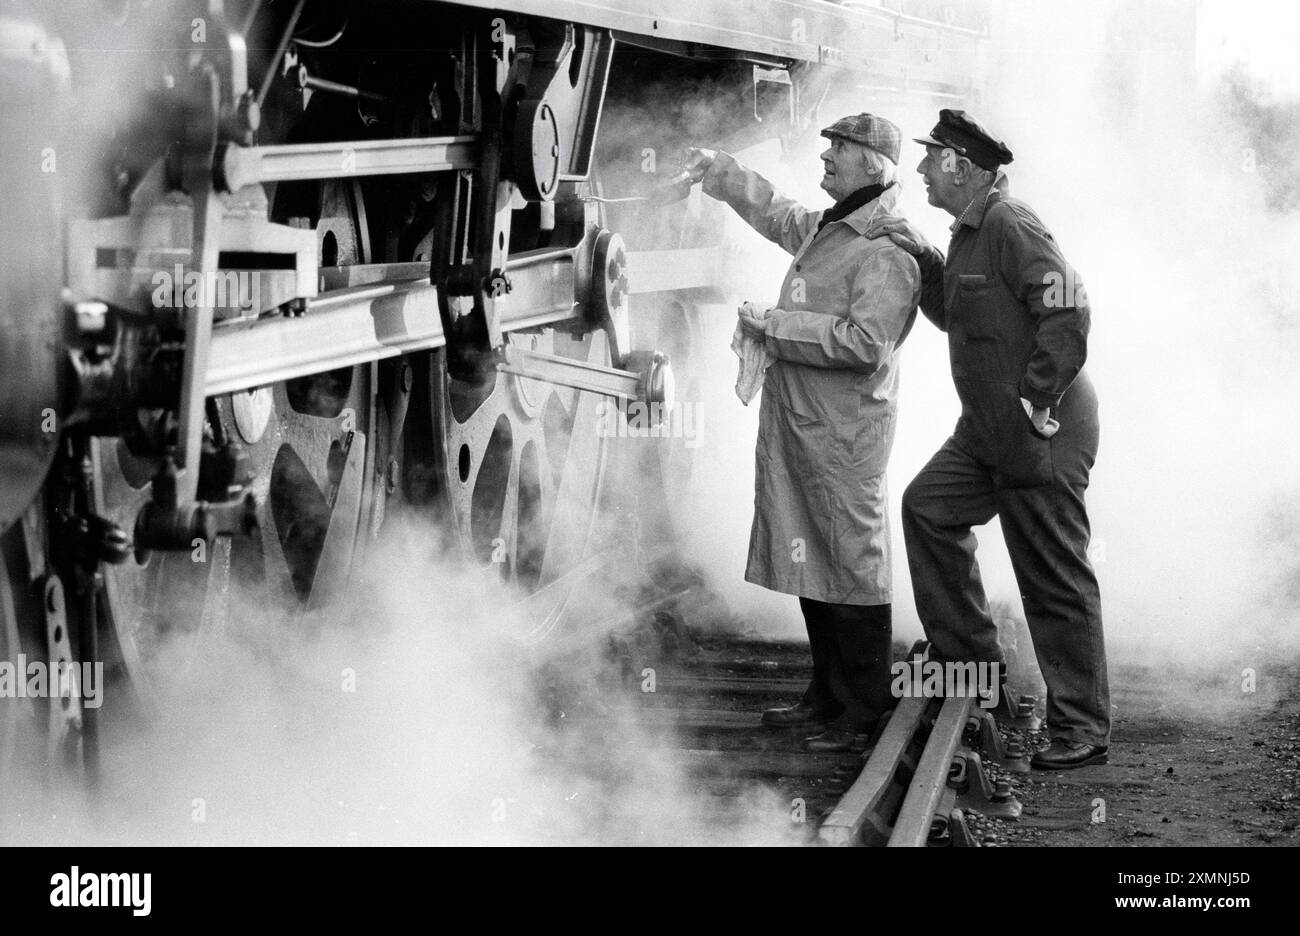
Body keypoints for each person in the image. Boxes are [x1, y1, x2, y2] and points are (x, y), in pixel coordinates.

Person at [866, 109, 1110, 769]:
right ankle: (972, 667)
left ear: (964, 166)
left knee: (1052, 576)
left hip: (1041, 428)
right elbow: (959, 313)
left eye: (931, 158)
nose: (920, 169)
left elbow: (1067, 304)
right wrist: (922, 256)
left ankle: (1081, 728)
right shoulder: (969, 234)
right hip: (985, 433)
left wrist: (1039, 396)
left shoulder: (1009, 224)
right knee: (928, 509)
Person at [684, 114, 921, 752]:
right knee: (811, 553)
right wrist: (723, 173)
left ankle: (864, 708)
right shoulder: (836, 228)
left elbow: (866, 344)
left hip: (845, 435)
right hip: (804, 424)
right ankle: (826, 694)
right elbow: (779, 213)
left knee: (850, 562)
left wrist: (776, 325)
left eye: (837, 152)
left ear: (872, 163)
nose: (825, 162)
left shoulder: (889, 251)